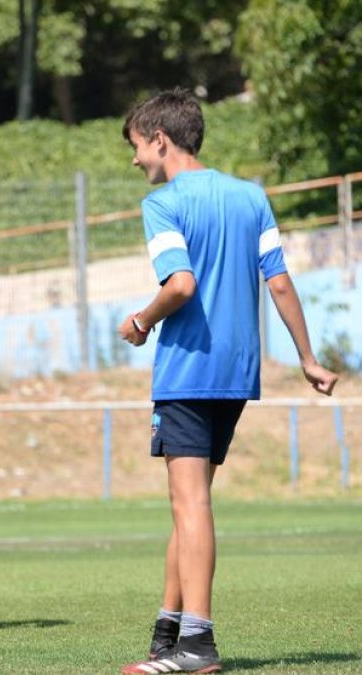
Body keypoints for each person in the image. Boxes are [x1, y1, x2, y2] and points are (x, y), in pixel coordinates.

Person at [116, 89, 338, 674]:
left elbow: (180, 284)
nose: (135, 159)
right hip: (237, 372)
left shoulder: (164, 204)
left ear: (160, 139)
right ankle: (167, 633)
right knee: (191, 504)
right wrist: (308, 358)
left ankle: (197, 643)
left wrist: (141, 321)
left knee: (189, 504)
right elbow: (280, 282)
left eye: (136, 147)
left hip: (189, 370)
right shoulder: (251, 196)